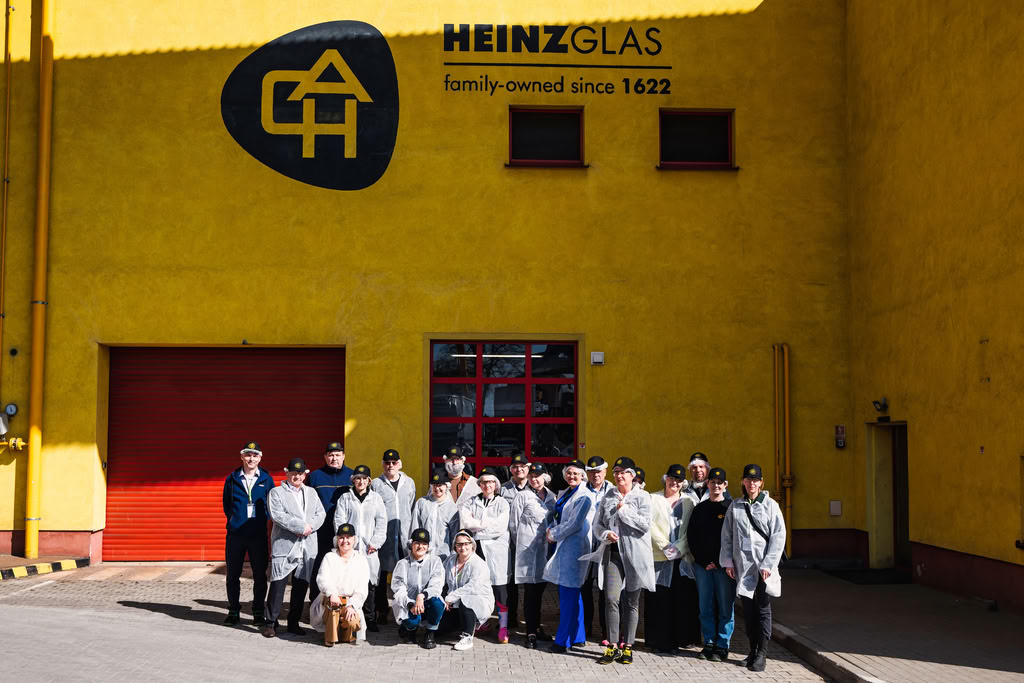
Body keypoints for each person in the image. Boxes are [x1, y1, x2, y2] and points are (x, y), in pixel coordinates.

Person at [720, 463, 786, 672]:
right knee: (748, 611)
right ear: (743, 481)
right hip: (743, 567)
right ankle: (752, 651)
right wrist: (728, 562)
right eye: (748, 480)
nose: (752, 484)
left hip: (763, 568)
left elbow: (778, 536)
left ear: (761, 483)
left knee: (763, 609)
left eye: (755, 480)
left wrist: (768, 564)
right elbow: (727, 536)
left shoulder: (770, 505)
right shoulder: (736, 506)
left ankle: (762, 654)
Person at [590, 457, 655, 665]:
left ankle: (628, 646)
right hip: (614, 555)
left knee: (632, 602)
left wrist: (624, 511)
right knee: (611, 598)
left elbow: (645, 525)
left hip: (635, 556)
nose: (619, 476)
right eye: (616, 472)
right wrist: (605, 533)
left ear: (632, 475)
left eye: (623, 472)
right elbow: (597, 525)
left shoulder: (643, 497)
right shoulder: (608, 496)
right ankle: (612, 645)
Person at [264, 457, 326, 638]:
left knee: (301, 586)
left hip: (307, 546)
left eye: (300, 473)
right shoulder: (276, 493)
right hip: (285, 545)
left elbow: (321, 513)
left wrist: (310, 527)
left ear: (305, 475)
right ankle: (271, 623)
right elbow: (278, 516)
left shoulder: (311, 492)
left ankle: (293, 622)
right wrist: (301, 527)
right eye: (293, 473)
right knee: (278, 585)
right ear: (287, 473)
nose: (297, 476)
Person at [542, 459, 594, 653]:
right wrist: (550, 529)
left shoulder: (585, 496)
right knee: (573, 594)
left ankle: (562, 641)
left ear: (583, 476)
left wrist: (553, 534)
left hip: (575, 549)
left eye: (576, 473)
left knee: (568, 596)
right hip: (564, 546)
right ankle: (578, 637)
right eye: (569, 473)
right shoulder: (565, 493)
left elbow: (575, 523)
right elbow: (558, 517)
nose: (572, 476)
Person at [222, 441, 275, 627]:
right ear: (242, 457)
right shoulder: (232, 478)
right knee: (233, 575)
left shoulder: (266, 479)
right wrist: (235, 520)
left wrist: (262, 520)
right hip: (236, 535)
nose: (251, 458)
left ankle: (258, 612)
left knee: (260, 575)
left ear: (260, 458)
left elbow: (272, 504)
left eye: (254, 455)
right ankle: (233, 611)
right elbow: (227, 505)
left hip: (258, 535)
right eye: (248, 455)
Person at [458, 466, 512, 643]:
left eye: (490, 482)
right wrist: (486, 523)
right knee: (478, 586)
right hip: (478, 550)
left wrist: (478, 526)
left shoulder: (502, 503)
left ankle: (503, 627)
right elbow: (466, 522)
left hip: (498, 552)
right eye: (483, 482)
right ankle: (482, 622)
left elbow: (500, 527)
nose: (487, 485)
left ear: (495, 484)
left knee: (500, 589)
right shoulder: (471, 501)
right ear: (479, 484)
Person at [688, 466, 736, 662]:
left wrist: (719, 562)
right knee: (705, 606)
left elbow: (734, 538)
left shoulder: (731, 508)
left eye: (719, 483)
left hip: (724, 567)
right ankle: (708, 642)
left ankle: (723, 644)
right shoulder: (700, 509)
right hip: (703, 567)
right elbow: (692, 537)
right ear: (707, 484)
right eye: (713, 482)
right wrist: (703, 561)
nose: (716, 485)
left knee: (725, 606)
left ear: (725, 485)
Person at [644, 463, 693, 653]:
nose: (675, 483)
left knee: (677, 601)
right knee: (658, 601)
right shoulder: (652, 498)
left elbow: (690, 529)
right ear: (666, 479)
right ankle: (657, 641)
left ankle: (674, 641)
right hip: (659, 557)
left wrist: (679, 548)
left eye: (679, 480)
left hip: (681, 558)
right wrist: (665, 546)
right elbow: (648, 525)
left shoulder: (689, 502)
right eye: (672, 478)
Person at [333, 464, 387, 632]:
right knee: (350, 582)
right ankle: (349, 617)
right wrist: (347, 543)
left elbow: (382, 522)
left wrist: (375, 543)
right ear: (353, 480)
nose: (361, 482)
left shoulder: (376, 499)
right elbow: (339, 521)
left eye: (364, 479)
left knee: (370, 584)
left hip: (369, 548)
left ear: (369, 481)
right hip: (351, 549)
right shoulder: (345, 498)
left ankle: (370, 618)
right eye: (358, 478)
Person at [508, 462, 556, 648]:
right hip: (528, 552)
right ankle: (530, 632)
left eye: (538, 476)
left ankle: (536, 626)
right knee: (530, 592)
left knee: (540, 591)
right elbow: (513, 525)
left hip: (546, 551)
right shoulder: (522, 496)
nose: (535, 479)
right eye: (532, 476)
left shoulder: (552, 497)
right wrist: (521, 544)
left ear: (545, 476)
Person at [371, 448, 416, 625]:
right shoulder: (376, 484)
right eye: (387, 463)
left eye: (394, 462)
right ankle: (382, 610)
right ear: (383, 464)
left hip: (404, 536)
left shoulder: (409, 483)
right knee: (381, 576)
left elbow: (411, 507)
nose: (391, 465)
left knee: (405, 575)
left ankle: (405, 608)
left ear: (400, 464)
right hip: (385, 536)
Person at [308, 441, 354, 605]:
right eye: (331, 455)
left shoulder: (352, 476)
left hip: (345, 533)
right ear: (325, 457)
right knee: (319, 566)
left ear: (343, 456)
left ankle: (344, 604)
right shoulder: (315, 477)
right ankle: (315, 604)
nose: (334, 458)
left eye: (338, 455)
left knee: (344, 567)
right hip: (321, 531)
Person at [310, 523, 370, 646]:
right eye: (341, 537)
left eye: (348, 537)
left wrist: (352, 605)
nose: (345, 541)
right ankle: (330, 637)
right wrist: (332, 594)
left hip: (350, 601)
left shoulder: (361, 560)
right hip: (331, 599)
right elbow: (322, 579)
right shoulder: (329, 557)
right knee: (334, 609)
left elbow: (362, 588)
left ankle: (345, 634)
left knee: (353, 622)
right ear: (337, 539)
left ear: (354, 540)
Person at [391, 527, 445, 649]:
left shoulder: (435, 561)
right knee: (410, 620)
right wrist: (410, 604)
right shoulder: (402, 564)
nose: (421, 546)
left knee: (437, 603)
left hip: (427, 601)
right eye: (417, 543)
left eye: (424, 543)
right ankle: (410, 630)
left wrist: (422, 596)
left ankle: (430, 633)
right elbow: (398, 588)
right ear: (411, 544)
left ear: (428, 546)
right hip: (410, 603)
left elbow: (437, 584)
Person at [442, 529, 495, 651]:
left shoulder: (479, 564)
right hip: (454, 603)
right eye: (459, 544)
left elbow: (471, 587)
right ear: (455, 546)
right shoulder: (450, 561)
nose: (463, 547)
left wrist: (449, 598)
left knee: (467, 599)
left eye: (466, 543)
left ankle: (467, 636)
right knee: (439, 630)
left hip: (477, 602)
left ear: (472, 545)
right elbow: (440, 579)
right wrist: (442, 598)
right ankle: (462, 626)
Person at [581, 455, 613, 642]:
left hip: (605, 545)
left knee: (606, 589)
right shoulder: (580, 490)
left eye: (599, 471)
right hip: (585, 545)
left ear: (605, 471)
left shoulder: (613, 491)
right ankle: (585, 627)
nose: (595, 475)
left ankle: (606, 630)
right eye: (592, 472)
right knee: (584, 588)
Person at [499, 452, 530, 632]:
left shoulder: (534, 487)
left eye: (522, 466)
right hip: (508, 543)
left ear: (528, 468)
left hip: (529, 544)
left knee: (529, 583)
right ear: (511, 469)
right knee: (509, 583)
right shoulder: (504, 489)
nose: (519, 469)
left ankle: (530, 619)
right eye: (515, 467)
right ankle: (510, 619)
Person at [412, 470, 459, 561]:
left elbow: (454, 534)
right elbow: (415, 527)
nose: (437, 488)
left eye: (440, 485)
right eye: (434, 485)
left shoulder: (452, 508)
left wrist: (453, 555)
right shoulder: (422, 502)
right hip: (422, 552)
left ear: (446, 486)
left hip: (443, 555)